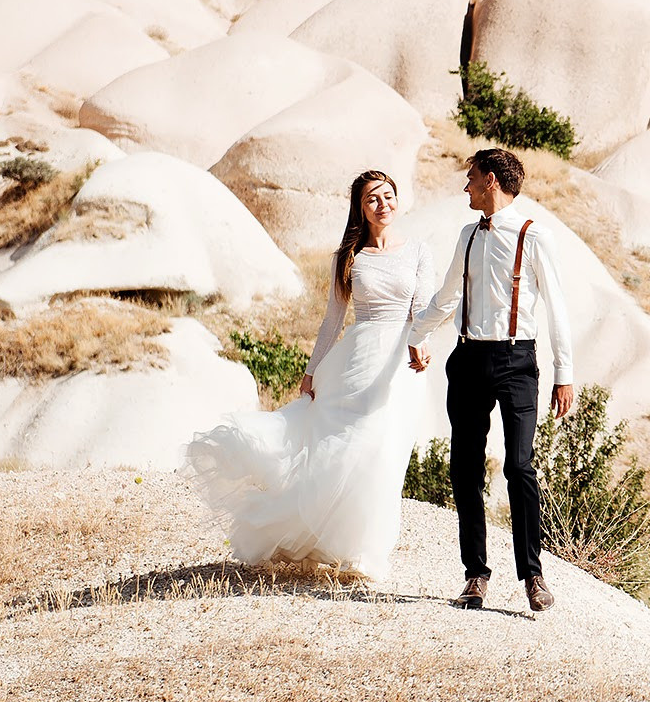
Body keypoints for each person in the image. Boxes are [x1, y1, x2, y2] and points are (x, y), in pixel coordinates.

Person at [187, 169, 434, 581]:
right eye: (372, 198)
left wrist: (422, 342)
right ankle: (347, 546)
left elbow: (422, 308)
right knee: (352, 445)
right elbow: (331, 321)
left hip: (404, 366)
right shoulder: (349, 257)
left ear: (398, 199)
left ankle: (365, 548)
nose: (382, 204)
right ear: (360, 208)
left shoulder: (419, 251)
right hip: (359, 358)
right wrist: (312, 370)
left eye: (388, 195)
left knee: (387, 453)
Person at [407, 147, 575, 613]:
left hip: (517, 361)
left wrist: (565, 373)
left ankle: (533, 575)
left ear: (492, 182)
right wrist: (414, 333)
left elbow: (558, 306)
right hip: (466, 359)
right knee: (464, 468)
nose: (466, 187)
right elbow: (447, 294)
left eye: (471, 179)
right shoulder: (467, 235)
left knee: (520, 466)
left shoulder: (534, 236)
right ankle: (475, 574)